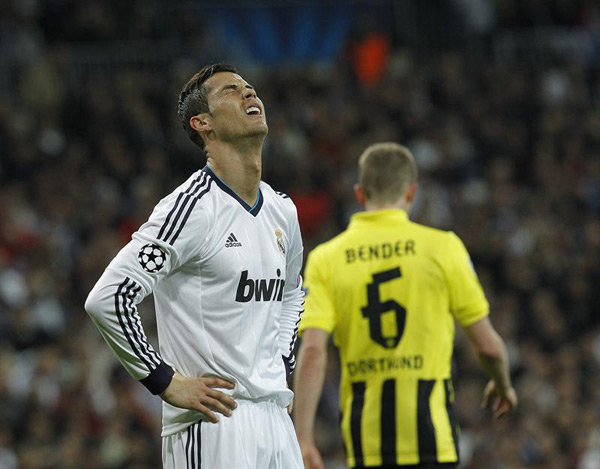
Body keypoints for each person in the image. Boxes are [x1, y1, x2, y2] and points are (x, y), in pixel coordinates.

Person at [85, 63, 305, 469]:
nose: (249, 93)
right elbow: (109, 297)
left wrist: (281, 361)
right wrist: (163, 380)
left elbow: (292, 293)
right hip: (214, 421)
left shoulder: (283, 211)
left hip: (276, 417)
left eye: (250, 87)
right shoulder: (192, 209)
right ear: (202, 123)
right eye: (230, 91)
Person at [293, 142, 517, 469]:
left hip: (365, 443)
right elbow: (489, 348)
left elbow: (313, 351)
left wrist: (303, 437)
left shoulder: (327, 258)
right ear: (411, 193)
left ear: (360, 194)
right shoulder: (443, 248)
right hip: (433, 440)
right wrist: (502, 384)